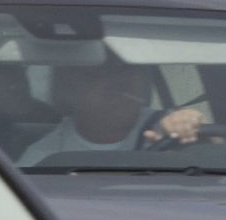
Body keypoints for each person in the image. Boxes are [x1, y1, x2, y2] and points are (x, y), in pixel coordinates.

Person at [18, 63, 204, 165]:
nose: (118, 86)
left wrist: (193, 127)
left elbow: (224, 156)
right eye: (97, 74)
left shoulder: (167, 125)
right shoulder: (42, 158)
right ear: (69, 90)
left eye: (127, 71)